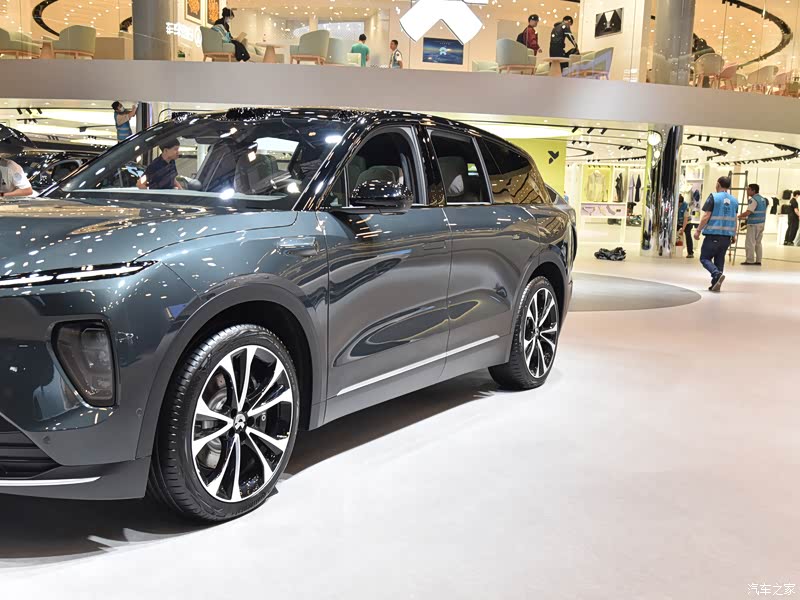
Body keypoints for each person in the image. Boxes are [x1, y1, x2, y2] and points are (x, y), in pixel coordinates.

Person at [694, 176, 738, 292]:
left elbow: (706, 216)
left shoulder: (713, 197)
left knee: (704, 258)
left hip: (713, 235)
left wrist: (698, 230)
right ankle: (715, 284)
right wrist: (734, 235)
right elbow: (735, 219)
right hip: (726, 237)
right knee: (719, 259)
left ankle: (715, 273)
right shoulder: (734, 200)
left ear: (718, 184)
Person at [738, 183, 767, 265]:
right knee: (758, 243)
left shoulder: (753, 200)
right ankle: (758, 260)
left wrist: (739, 216)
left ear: (753, 191)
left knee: (750, 242)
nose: (747, 191)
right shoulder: (762, 199)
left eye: (749, 189)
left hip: (753, 224)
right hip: (761, 223)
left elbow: (748, 212)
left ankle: (750, 260)